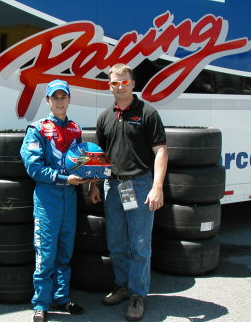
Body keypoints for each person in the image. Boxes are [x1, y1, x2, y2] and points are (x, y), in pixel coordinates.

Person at [88, 63, 168, 321]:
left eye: (124, 82)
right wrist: (95, 185)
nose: (119, 86)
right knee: (116, 242)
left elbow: (161, 151)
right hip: (114, 186)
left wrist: (157, 187)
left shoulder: (148, 113)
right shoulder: (105, 117)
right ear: (108, 85)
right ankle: (122, 285)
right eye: (114, 83)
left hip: (141, 185)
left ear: (133, 84)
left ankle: (137, 294)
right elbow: (99, 157)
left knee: (140, 243)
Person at [20, 79, 85, 322]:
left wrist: (90, 178)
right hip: (48, 198)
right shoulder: (37, 129)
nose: (59, 101)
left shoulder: (76, 129)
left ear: (69, 99)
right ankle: (41, 303)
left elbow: (81, 163)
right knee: (45, 253)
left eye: (63, 96)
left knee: (65, 252)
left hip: (70, 197)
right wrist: (62, 179)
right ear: (47, 100)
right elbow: (33, 168)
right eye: (54, 97)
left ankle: (62, 297)